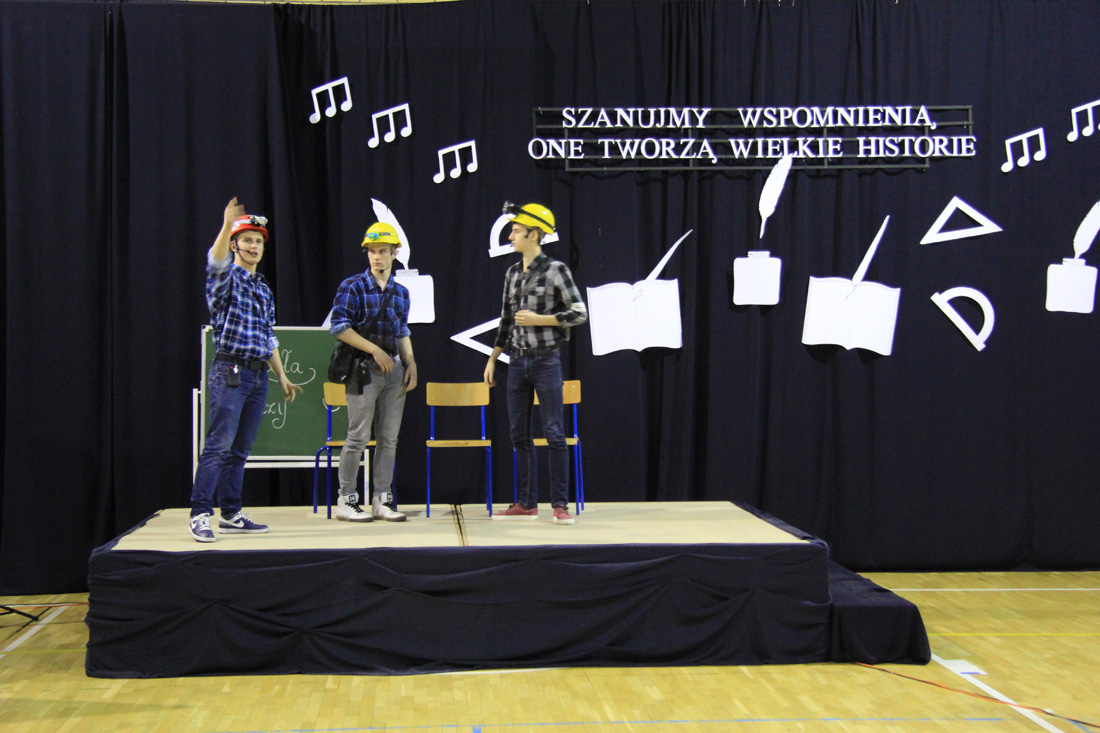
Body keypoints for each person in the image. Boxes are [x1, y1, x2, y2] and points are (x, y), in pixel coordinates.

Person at [190, 198, 302, 542]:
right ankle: (200, 514)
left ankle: (231, 513)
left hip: (257, 376)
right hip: (230, 371)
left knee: (240, 450)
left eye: (258, 242)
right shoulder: (227, 279)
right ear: (235, 245)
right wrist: (227, 226)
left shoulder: (263, 288)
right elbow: (215, 262)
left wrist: (281, 375)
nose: (254, 246)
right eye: (247, 240)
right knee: (218, 445)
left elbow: (268, 335)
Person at [484, 202, 587, 524]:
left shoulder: (556, 270)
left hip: (546, 362)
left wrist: (542, 319)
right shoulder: (512, 273)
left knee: (554, 433)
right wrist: (493, 358)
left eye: (516, 231)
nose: (511, 236)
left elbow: (579, 312)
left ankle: (560, 504)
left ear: (534, 234)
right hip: (517, 362)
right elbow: (505, 320)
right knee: (518, 435)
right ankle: (526, 503)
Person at [329, 222, 417, 522]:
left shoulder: (401, 293)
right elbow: (339, 327)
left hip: (394, 370)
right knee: (357, 436)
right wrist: (374, 350)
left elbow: (402, 329)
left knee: (389, 439)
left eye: (382, 251)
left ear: (394, 253)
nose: (377, 256)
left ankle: (382, 498)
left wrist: (410, 361)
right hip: (362, 368)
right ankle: (346, 498)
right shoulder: (353, 286)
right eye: (372, 251)